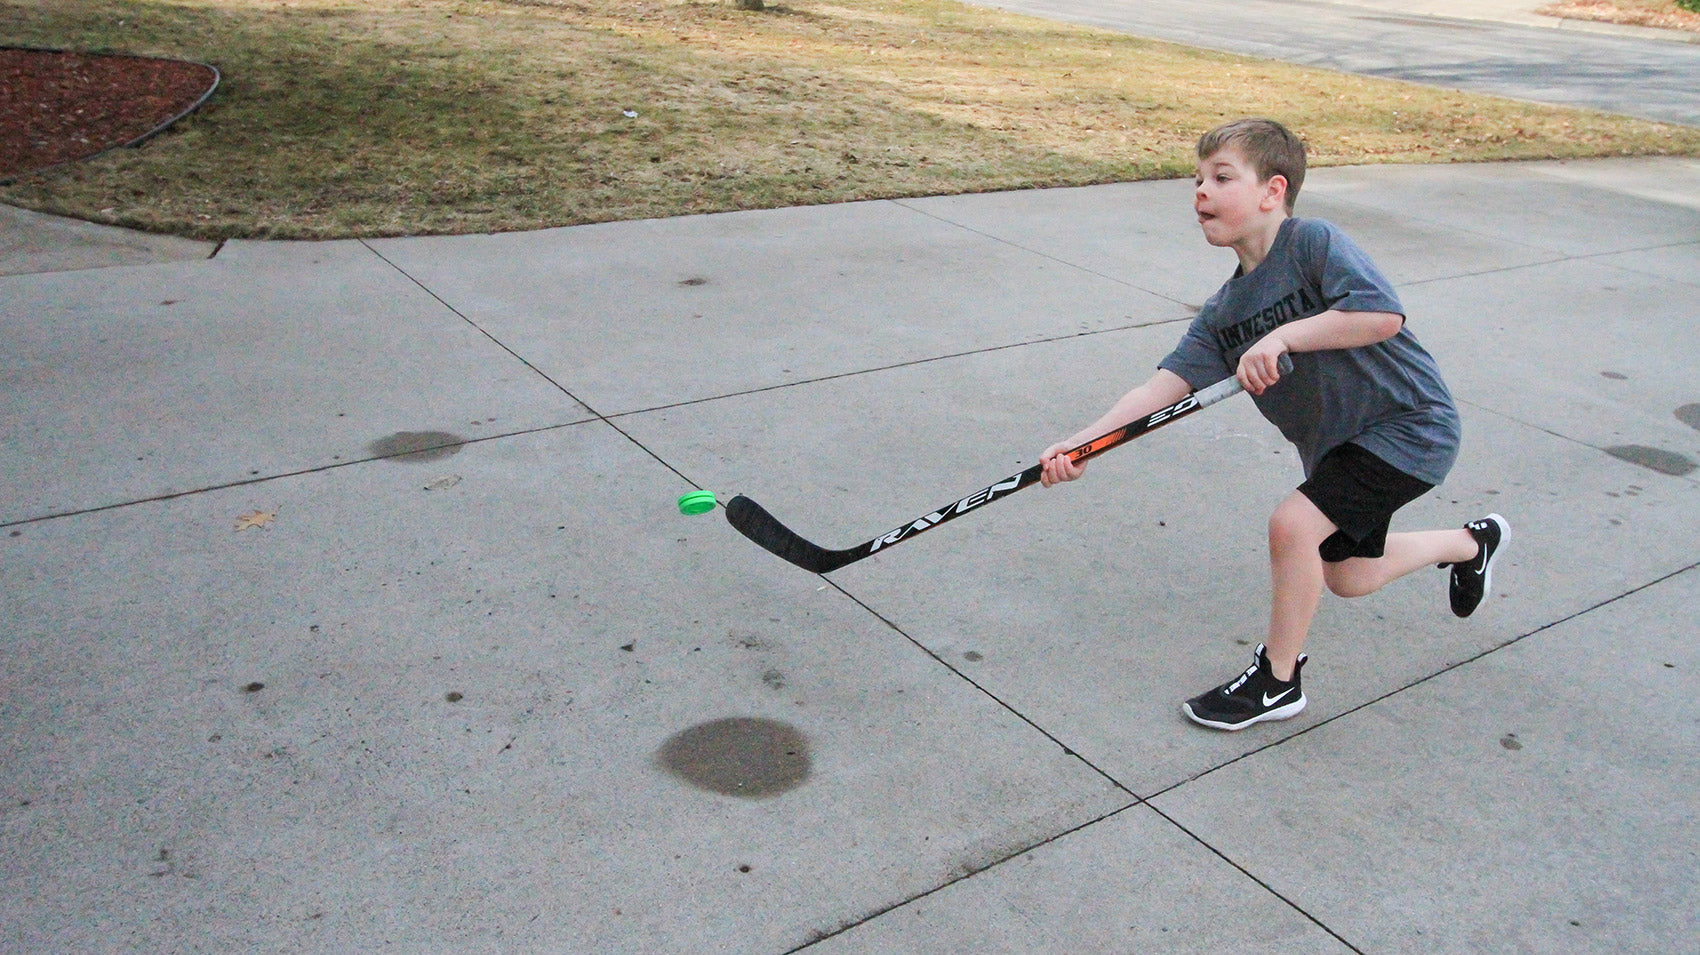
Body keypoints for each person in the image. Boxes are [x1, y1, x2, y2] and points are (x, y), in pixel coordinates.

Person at [1039, 118, 1509, 731]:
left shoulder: (1310, 244)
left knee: (1294, 525)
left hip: (1409, 426)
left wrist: (1285, 335)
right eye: (1198, 179)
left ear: (1272, 190)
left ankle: (1277, 682)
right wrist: (1082, 446)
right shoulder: (1222, 316)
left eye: (1221, 177)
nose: (1200, 191)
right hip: (1339, 450)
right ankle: (1471, 543)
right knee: (1349, 576)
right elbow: (1159, 392)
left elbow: (1381, 315)